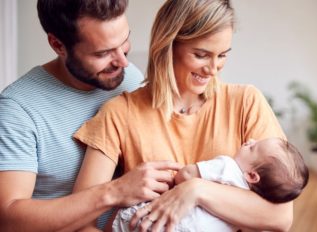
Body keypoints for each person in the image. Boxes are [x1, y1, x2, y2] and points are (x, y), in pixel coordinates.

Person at [74, 0, 294, 231]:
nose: (213, 69)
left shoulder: (246, 103)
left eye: (222, 55)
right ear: (168, 45)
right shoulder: (119, 114)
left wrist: (195, 191)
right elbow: (80, 221)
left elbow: (280, 217)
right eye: (201, 55)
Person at [0, 1, 182, 231]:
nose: (123, 61)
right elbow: (8, 221)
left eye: (124, 41)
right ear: (58, 44)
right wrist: (115, 192)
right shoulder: (18, 109)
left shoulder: (129, 79)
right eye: (103, 53)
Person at [112, 137, 309, 232]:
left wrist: (182, 174)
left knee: (127, 219)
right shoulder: (251, 203)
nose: (249, 140)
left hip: (162, 223)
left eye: (253, 147)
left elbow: (185, 175)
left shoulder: (227, 167)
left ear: (251, 175)